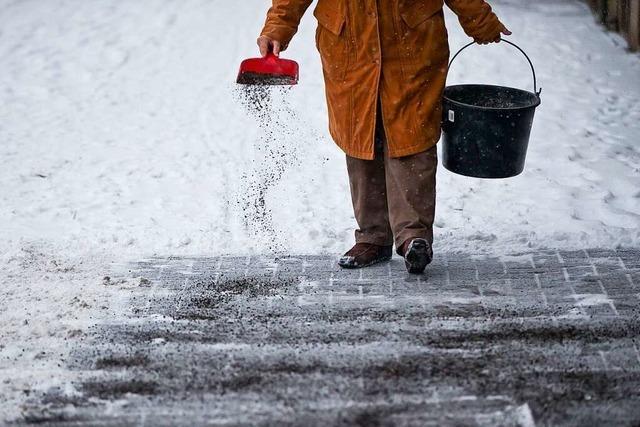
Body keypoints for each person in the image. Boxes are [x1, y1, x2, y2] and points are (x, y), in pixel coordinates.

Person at [258, 0, 510, 273]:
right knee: (361, 135)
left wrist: (479, 19)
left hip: (411, 42)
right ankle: (373, 237)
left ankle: (414, 237)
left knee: (412, 135)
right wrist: (276, 28)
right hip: (350, 44)